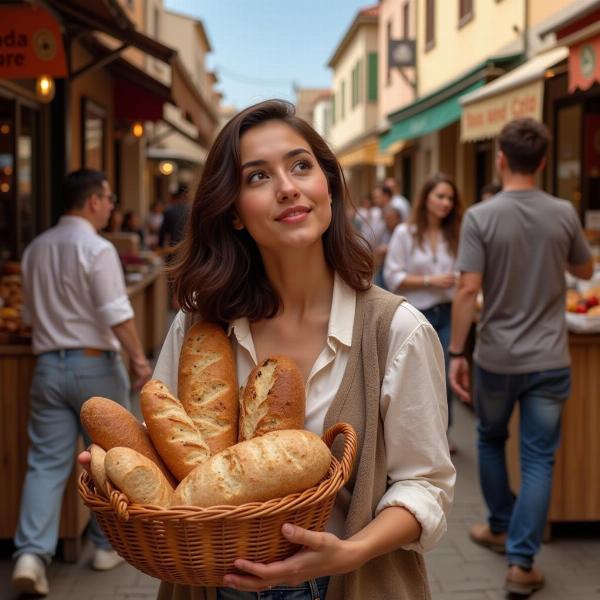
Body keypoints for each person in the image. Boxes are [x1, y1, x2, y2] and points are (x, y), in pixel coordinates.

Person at [78, 100, 453, 599]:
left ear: (328, 186)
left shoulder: (395, 330)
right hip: (210, 584)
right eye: (257, 177)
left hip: (347, 583)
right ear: (233, 211)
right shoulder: (199, 326)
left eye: (301, 165)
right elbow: (167, 462)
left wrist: (350, 551)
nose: (287, 187)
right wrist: (120, 472)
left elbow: (425, 485)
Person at [448, 118, 594, 595]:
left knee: (490, 439)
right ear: (545, 162)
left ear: (500, 159)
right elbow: (585, 267)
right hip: (550, 359)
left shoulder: (481, 216)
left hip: (496, 357)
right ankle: (522, 563)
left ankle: (498, 526)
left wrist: (456, 352)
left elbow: (468, 289)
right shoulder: (563, 212)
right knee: (537, 459)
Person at [12, 169, 153, 597]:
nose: (112, 206)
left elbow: (30, 317)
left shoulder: (35, 248)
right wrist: (138, 359)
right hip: (95, 364)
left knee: (46, 463)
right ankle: (105, 547)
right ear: (93, 201)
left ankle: (31, 556)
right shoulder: (98, 248)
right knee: (109, 456)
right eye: (109, 198)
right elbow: (116, 312)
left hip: (48, 366)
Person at [383, 173, 463, 451]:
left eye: (450, 198)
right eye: (440, 196)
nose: (445, 203)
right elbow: (393, 276)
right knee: (416, 375)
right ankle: (413, 437)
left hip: (447, 310)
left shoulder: (454, 234)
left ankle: (442, 434)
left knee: (444, 376)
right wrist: (431, 280)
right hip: (416, 314)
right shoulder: (406, 233)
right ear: (426, 197)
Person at [158, 184, 191, 249]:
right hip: (187, 246)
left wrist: (160, 245)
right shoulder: (190, 210)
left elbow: (163, 231)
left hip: (173, 245)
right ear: (184, 196)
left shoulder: (169, 210)